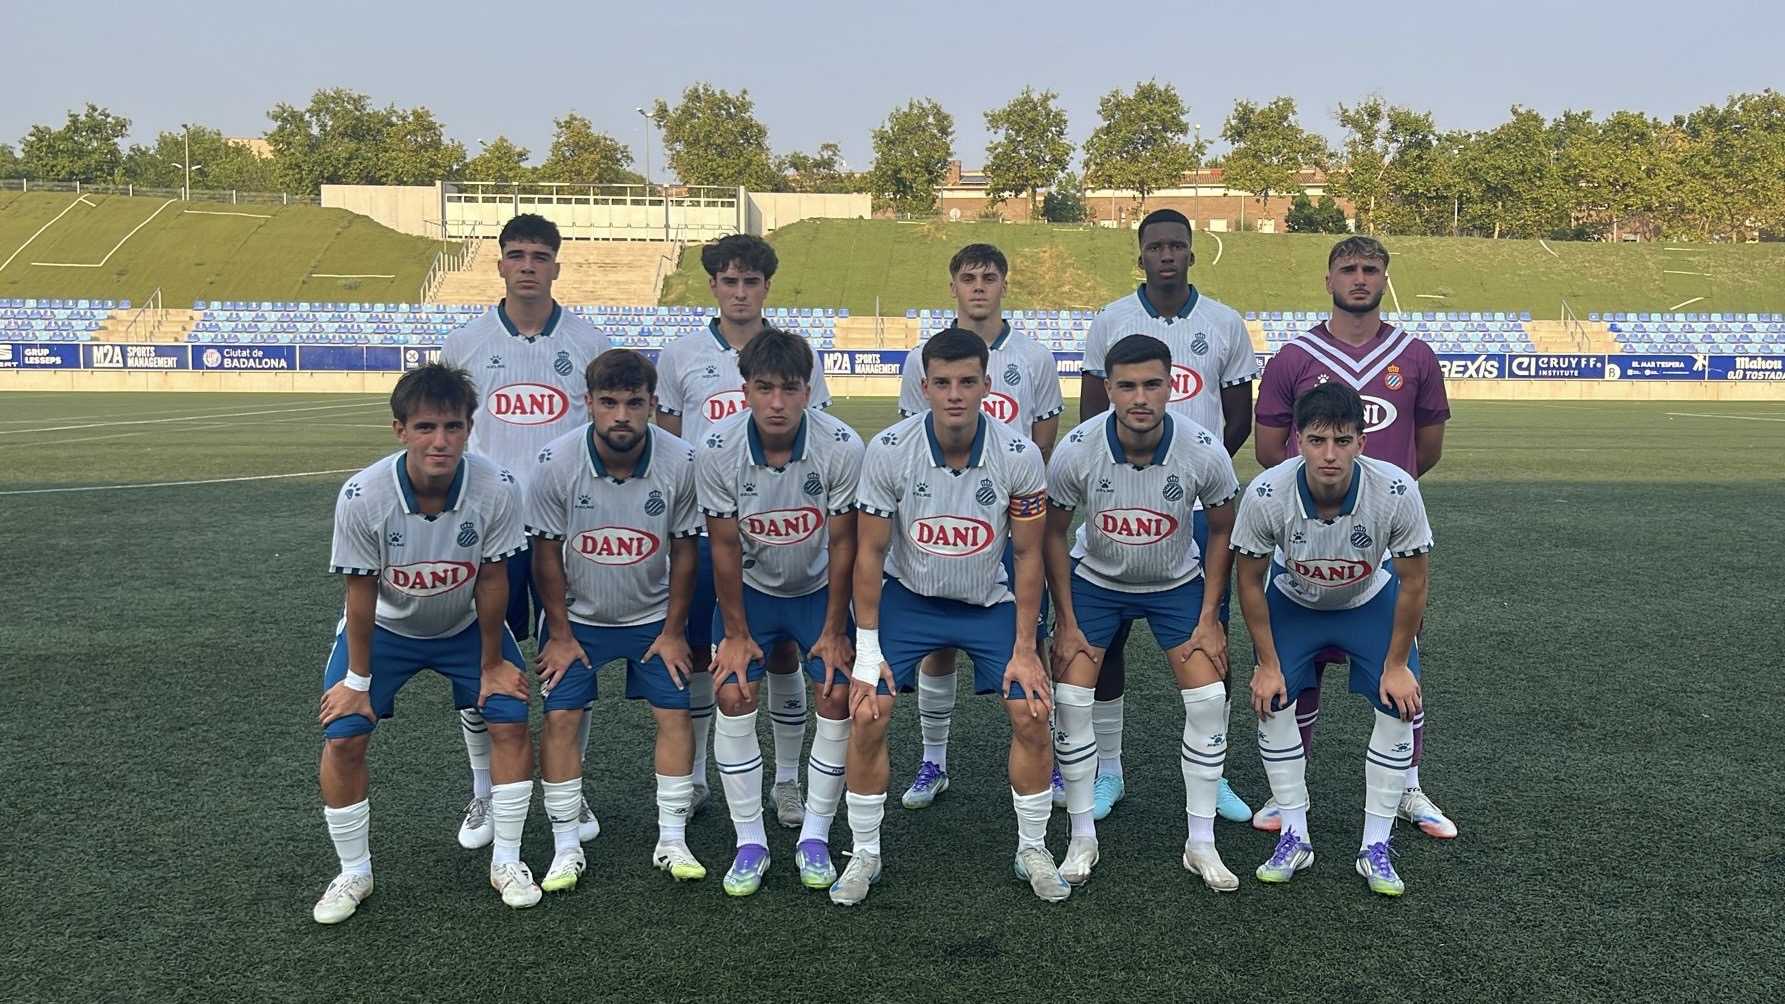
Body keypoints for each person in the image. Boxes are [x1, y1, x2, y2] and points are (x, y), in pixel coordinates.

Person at [828, 329, 1061, 905]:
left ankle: (1033, 847)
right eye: (942, 382)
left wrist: (1026, 648)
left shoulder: (1019, 455)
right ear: (924, 386)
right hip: (911, 599)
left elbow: (1028, 555)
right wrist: (866, 651)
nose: (955, 394)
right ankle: (864, 852)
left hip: (987, 601)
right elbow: (869, 554)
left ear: (986, 385)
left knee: (1033, 710)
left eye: (966, 382)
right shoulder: (888, 450)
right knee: (867, 710)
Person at [312, 364, 537, 924]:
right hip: (387, 628)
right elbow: (360, 592)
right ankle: (354, 871)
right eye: (426, 427)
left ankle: (507, 860)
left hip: (465, 624)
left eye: (453, 427)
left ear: (469, 429)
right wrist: (357, 681)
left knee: (510, 715)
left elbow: (493, 578)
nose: (441, 441)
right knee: (345, 733)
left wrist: (492, 663)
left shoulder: (497, 486)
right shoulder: (363, 495)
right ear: (400, 430)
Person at [1251, 235, 1456, 840]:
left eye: (1371, 269)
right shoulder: (1295, 357)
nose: (1359, 278)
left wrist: (1383, 498)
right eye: (1348, 269)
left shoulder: (1414, 356)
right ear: (1329, 280)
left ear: (1385, 278)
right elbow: (1268, 448)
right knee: (1300, 667)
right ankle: (1289, 791)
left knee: (1401, 666)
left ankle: (1407, 786)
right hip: (1305, 540)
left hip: (1383, 542)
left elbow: (1428, 449)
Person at [1078, 208, 1258, 823]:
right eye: (1155, 247)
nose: (1166, 256)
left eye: (1176, 246)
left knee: (1211, 637)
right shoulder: (1111, 320)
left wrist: (1189, 475)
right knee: (1107, 640)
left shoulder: (1224, 323)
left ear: (1190, 253)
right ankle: (1108, 770)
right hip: (1120, 504)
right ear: (1141, 255)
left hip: (1196, 508)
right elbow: (1090, 414)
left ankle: (1217, 771)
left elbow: (1239, 416)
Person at [1045, 334, 1241, 891]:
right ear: (1108, 389)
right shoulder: (1077, 449)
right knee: (1070, 700)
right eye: (1126, 386)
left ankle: (1201, 843)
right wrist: (1066, 621)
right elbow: (1053, 534)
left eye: (1152, 384)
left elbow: (1223, 529)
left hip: (1175, 583)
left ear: (1171, 386)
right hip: (1097, 582)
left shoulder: (1203, 448)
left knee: (1208, 699)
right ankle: (1082, 836)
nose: (1139, 398)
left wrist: (1209, 617)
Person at [439, 212, 609, 850]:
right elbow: (449, 435)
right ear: (501, 264)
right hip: (491, 529)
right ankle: (484, 789)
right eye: (517, 255)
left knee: (572, 655)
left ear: (557, 266)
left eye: (540, 255)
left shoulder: (590, 343)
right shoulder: (465, 343)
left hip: (570, 528)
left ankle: (570, 783)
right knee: (482, 656)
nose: (528, 266)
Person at [654, 234, 835, 823]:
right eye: (729, 282)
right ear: (713, 286)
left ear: (766, 288)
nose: (739, 293)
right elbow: (669, 445)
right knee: (709, 654)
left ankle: (786, 781)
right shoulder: (680, 355)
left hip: (782, 529)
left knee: (781, 653)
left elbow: (817, 437)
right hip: (707, 529)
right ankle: (698, 778)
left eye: (750, 282)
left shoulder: (794, 355)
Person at [1232, 382, 1432, 896]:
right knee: (1272, 700)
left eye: (1342, 441)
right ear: (1298, 440)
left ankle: (1375, 845)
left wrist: (1396, 665)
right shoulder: (1266, 492)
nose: (1329, 454)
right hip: (1295, 602)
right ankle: (1294, 834)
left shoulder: (1396, 490)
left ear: (1361, 442)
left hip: (1369, 600)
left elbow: (1414, 582)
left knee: (1399, 704)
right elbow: (1249, 581)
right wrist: (1266, 664)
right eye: (1317, 440)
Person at [894, 243, 1065, 810]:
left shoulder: (1034, 358)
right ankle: (933, 761)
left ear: (1004, 284)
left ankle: (1049, 760)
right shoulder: (921, 358)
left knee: (1030, 638)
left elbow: (1042, 440)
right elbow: (912, 443)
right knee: (938, 643)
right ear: (953, 287)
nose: (978, 287)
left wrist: (1013, 502)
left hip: (1009, 518)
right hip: (943, 520)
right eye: (968, 278)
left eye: (989, 277)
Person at [696, 329, 865, 895]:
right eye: (764, 388)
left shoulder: (841, 446)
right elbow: (723, 547)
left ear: (808, 391)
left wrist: (835, 629)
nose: (776, 403)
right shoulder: (716, 449)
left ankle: (814, 835)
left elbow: (844, 543)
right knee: (732, 691)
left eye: (789, 389)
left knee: (836, 692)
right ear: (744, 389)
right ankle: (750, 842)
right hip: (751, 590)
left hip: (817, 589)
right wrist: (735, 633)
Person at [526, 349, 703, 888]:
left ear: (652, 403)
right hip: (578, 618)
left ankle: (672, 840)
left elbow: (686, 550)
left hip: (652, 615)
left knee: (674, 715)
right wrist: (559, 633)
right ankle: (565, 847)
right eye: (608, 403)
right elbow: (545, 552)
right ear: (588, 403)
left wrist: (674, 632)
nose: (621, 415)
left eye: (633, 403)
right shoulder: (555, 461)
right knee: (561, 718)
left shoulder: (682, 460)